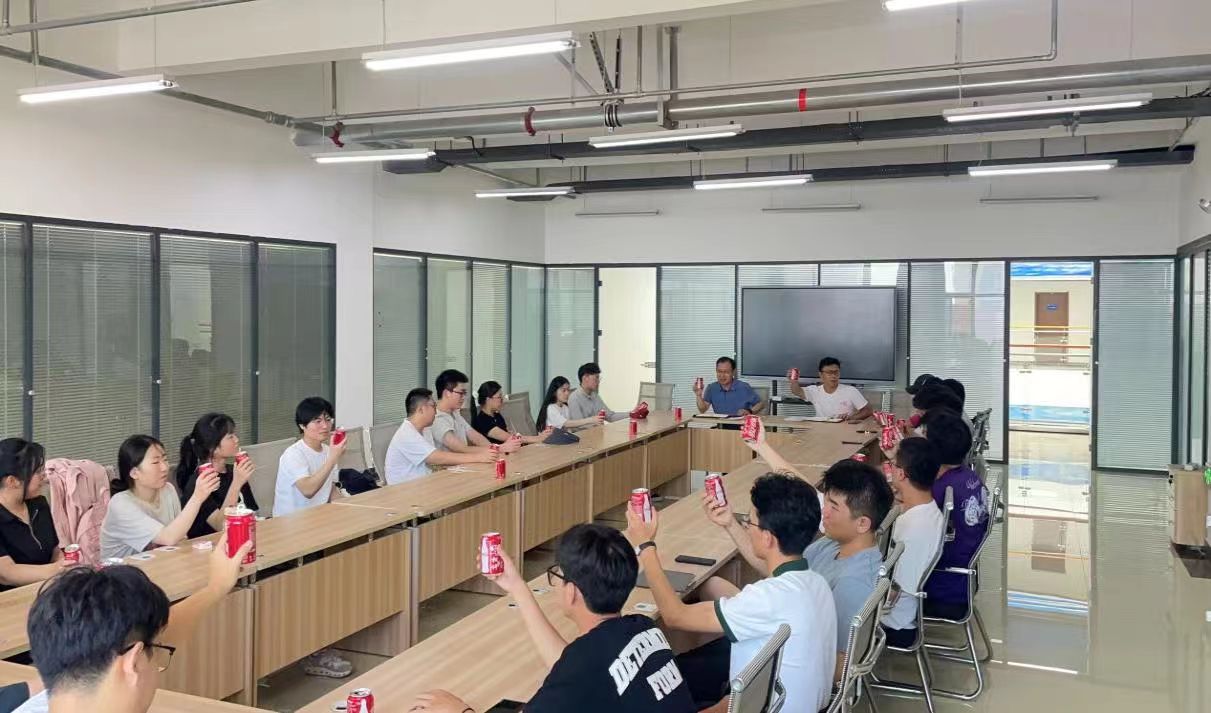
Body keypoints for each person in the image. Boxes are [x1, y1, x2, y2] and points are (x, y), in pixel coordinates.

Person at [410, 524, 695, 713]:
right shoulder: (643, 628)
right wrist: (517, 586)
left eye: (557, 575)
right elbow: (571, 664)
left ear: (571, 592)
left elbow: (577, 670)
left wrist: (459, 709)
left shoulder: (584, 667)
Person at [626, 474, 836, 713]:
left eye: (749, 522)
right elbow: (770, 565)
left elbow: (676, 616)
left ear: (768, 537)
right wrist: (729, 523)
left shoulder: (765, 599)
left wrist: (645, 546)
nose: (746, 525)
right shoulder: (816, 583)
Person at [12, 534, 251, 713]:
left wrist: (215, 588)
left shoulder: (53, 692)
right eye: (158, 654)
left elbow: (153, 636)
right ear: (134, 664)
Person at [805, 459, 894, 674]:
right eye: (826, 502)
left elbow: (841, 666)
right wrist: (730, 524)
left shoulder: (853, 584)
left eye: (833, 507)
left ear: (862, 523)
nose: (824, 512)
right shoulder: (833, 542)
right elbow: (784, 570)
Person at [101, 436, 220, 560]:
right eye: (155, 462)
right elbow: (169, 538)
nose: (164, 467)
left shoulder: (168, 490)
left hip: (160, 563)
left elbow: (181, 537)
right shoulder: (120, 504)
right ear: (134, 473)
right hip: (122, 570)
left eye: (165, 459)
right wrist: (197, 497)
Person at [922, 410, 989, 620]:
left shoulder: (942, 488)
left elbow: (914, 513)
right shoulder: (969, 476)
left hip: (943, 589)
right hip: (963, 579)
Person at [881, 437, 945, 648]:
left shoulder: (912, 529)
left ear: (901, 474)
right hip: (901, 612)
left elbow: (894, 593)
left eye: (892, 464)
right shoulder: (927, 509)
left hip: (894, 623)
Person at [385, 388, 496, 485]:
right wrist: (479, 457)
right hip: (406, 490)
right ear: (421, 409)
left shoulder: (425, 429)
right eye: (433, 406)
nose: (436, 411)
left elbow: (434, 462)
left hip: (424, 483)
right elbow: (437, 458)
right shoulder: (407, 434)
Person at [175, 413, 259, 539]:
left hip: (240, 538)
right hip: (209, 545)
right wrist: (237, 483)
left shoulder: (234, 472)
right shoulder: (200, 482)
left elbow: (252, 513)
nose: (236, 440)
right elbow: (221, 525)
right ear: (212, 447)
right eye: (230, 437)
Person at [0, 439, 66, 591]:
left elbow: (55, 550)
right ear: (12, 481)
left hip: (46, 590)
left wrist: (64, 563)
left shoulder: (38, 504)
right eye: (37, 472)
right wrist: (59, 569)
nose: (44, 476)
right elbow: (6, 573)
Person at [272, 397, 346, 518]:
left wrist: (350, 507)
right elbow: (308, 490)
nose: (325, 426)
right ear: (302, 425)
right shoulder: (293, 454)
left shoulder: (329, 450)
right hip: (291, 520)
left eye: (328, 420)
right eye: (317, 421)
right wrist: (332, 458)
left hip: (319, 515)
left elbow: (330, 489)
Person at [432, 370, 519, 456]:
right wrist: (500, 448)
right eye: (461, 393)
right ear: (447, 393)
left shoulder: (454, 413)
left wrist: (496, 448)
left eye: (465, 393)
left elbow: (475, 437)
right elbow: (461, 449)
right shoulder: (436, 418)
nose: (464, 397)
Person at [787, 357, 874, 422]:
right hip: (820, 431)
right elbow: (796, 391)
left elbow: (868, 410)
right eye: (829, 372)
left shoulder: (850, 391)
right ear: (821, 375)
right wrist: (793, 381)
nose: (833, 376)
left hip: (843, 431)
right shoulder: (815, 391)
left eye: (836, 372)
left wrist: (851, 418)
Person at [471, 381, 549, 445]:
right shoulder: (482, 421)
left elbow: (509, 434)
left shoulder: (497, 415)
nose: (502, 400)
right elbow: (509, 438)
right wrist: (539, 438)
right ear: (488, 399)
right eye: (499, 397)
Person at [694, 357, 763, 416]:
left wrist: (749, 411)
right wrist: (698, 395)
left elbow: (761, 404)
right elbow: (702, 410)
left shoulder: (743, 387)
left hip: (741, 425)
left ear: (733, 372)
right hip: (721, 425)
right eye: (719, 371)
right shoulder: (712, 388)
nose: (722, 376)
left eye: (726, 372)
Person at [535, 376, 606, 431]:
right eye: (563, 390)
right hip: (552, 442)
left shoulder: (565, 407)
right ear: (554, 392)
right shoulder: (551, 408)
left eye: (568, 390)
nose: (567, 393)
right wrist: (591, 420)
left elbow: (574, 425)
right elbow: (566, 424)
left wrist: (594, 424)